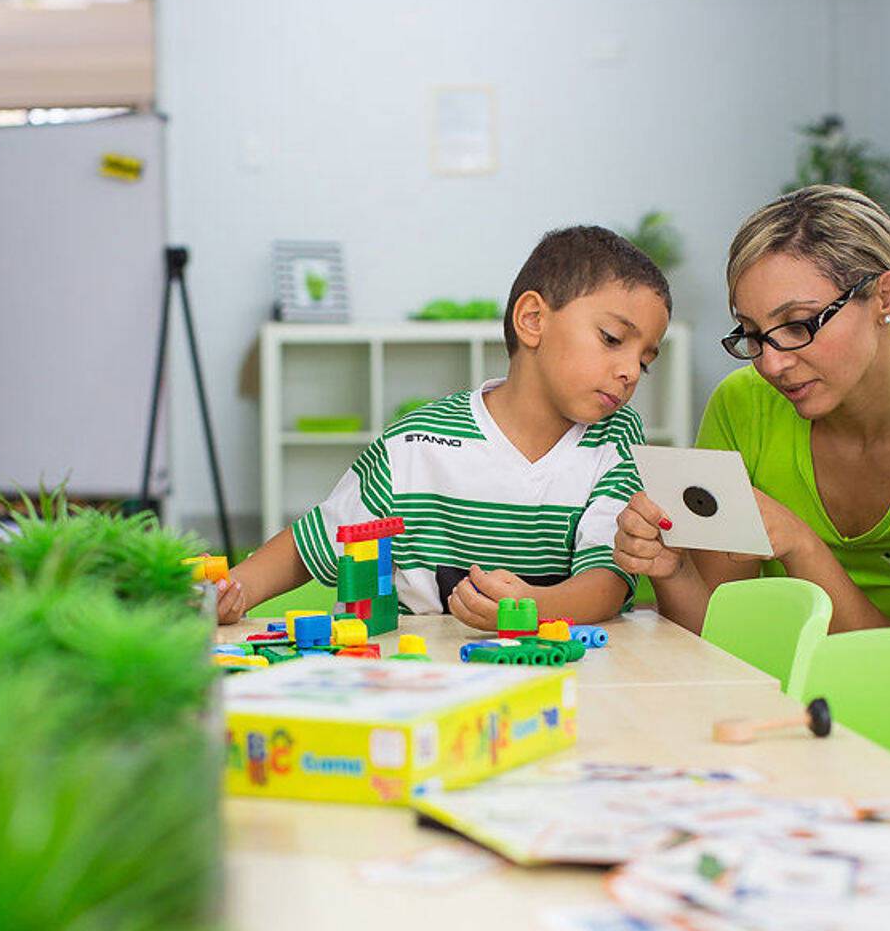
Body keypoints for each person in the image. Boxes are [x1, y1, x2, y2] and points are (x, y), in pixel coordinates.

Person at [216, 225, 670, 629]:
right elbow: (314, 541)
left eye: (644, 361)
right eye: (612, 339)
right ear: (533, 320)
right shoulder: (415, 442)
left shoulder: (617, 438)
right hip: (418, 678)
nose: (630, 370)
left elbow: (607, 580)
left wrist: (531, 606)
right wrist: (233, 590)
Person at [614, 184, 890, 634]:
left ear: (887, 297)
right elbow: (716, 633)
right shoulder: (743, 403)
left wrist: (799, 545)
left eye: (797, 325)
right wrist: (671, 569)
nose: (771, 363)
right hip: (771, 691)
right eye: (752, 333)